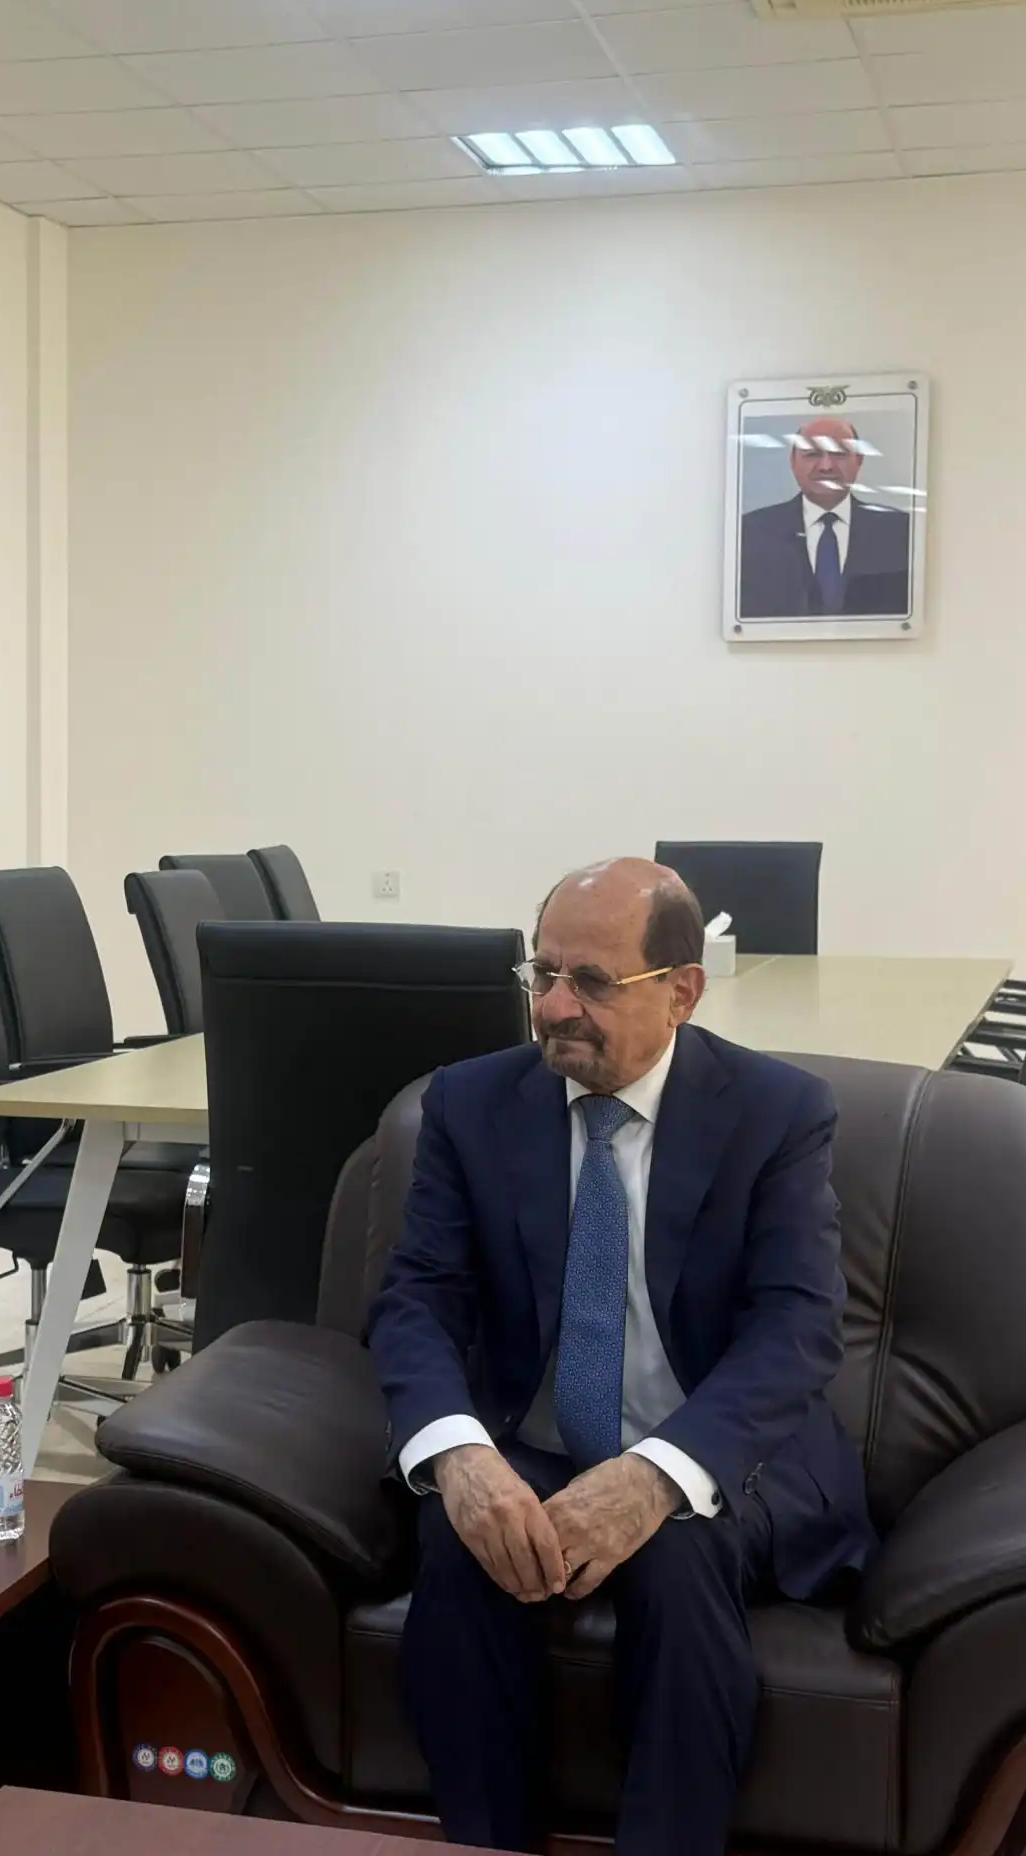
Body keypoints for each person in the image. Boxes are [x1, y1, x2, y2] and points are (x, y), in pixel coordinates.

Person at [367, 858, 875, 1856]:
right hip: (534, 1440)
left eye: (592, 982)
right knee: (461, 1542)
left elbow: (799, 1323)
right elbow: (417, 1299)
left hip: (712, 1443)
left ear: (681, 991)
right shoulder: (469, 1105)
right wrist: (460, 1457)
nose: (555, 1007)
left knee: (677, 1550)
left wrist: (654, 1477)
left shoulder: (775, 1112)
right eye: (543, 973)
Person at [736, 415, 911, 619]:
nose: (826, 466)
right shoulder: (750, 532)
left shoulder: (900, 532)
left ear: (859, 460)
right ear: (793, 461)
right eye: (812, 454)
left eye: (839, 454)